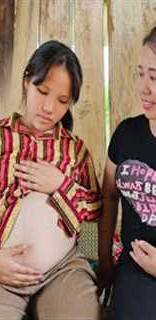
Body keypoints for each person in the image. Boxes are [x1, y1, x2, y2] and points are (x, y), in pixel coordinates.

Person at [0, 40, 102, 319]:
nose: (48, 107)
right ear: (26, 81)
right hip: (0, 269)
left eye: (62, 101)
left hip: (62, 271)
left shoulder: (76, 149)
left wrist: (60, 186)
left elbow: (95, 212)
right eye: (42, 91)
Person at [98, 26, 156, 320]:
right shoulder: (126, 134)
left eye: (154, 77)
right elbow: (107, 199)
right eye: (140, 73)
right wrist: (105, 259)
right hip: (135, 269)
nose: (143, 87)